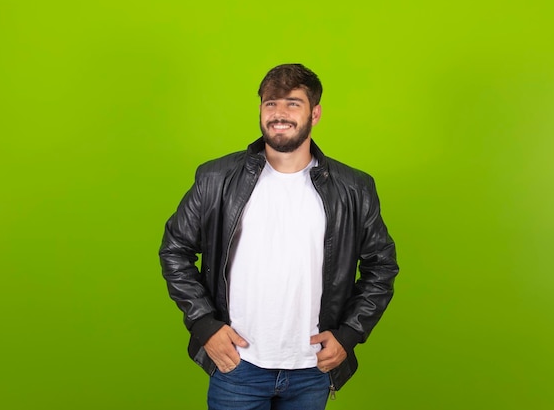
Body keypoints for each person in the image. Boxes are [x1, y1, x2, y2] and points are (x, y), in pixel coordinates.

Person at [159, 63, 399, 410]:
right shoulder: (216, 178)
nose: (279, 114)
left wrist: (349, 335)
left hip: (311, 370)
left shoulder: (353, 188)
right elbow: (175, 250)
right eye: (270, 103)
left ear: (314, 114)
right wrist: (204, 325)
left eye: (292, 103)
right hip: (238, 366)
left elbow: (382, 266)